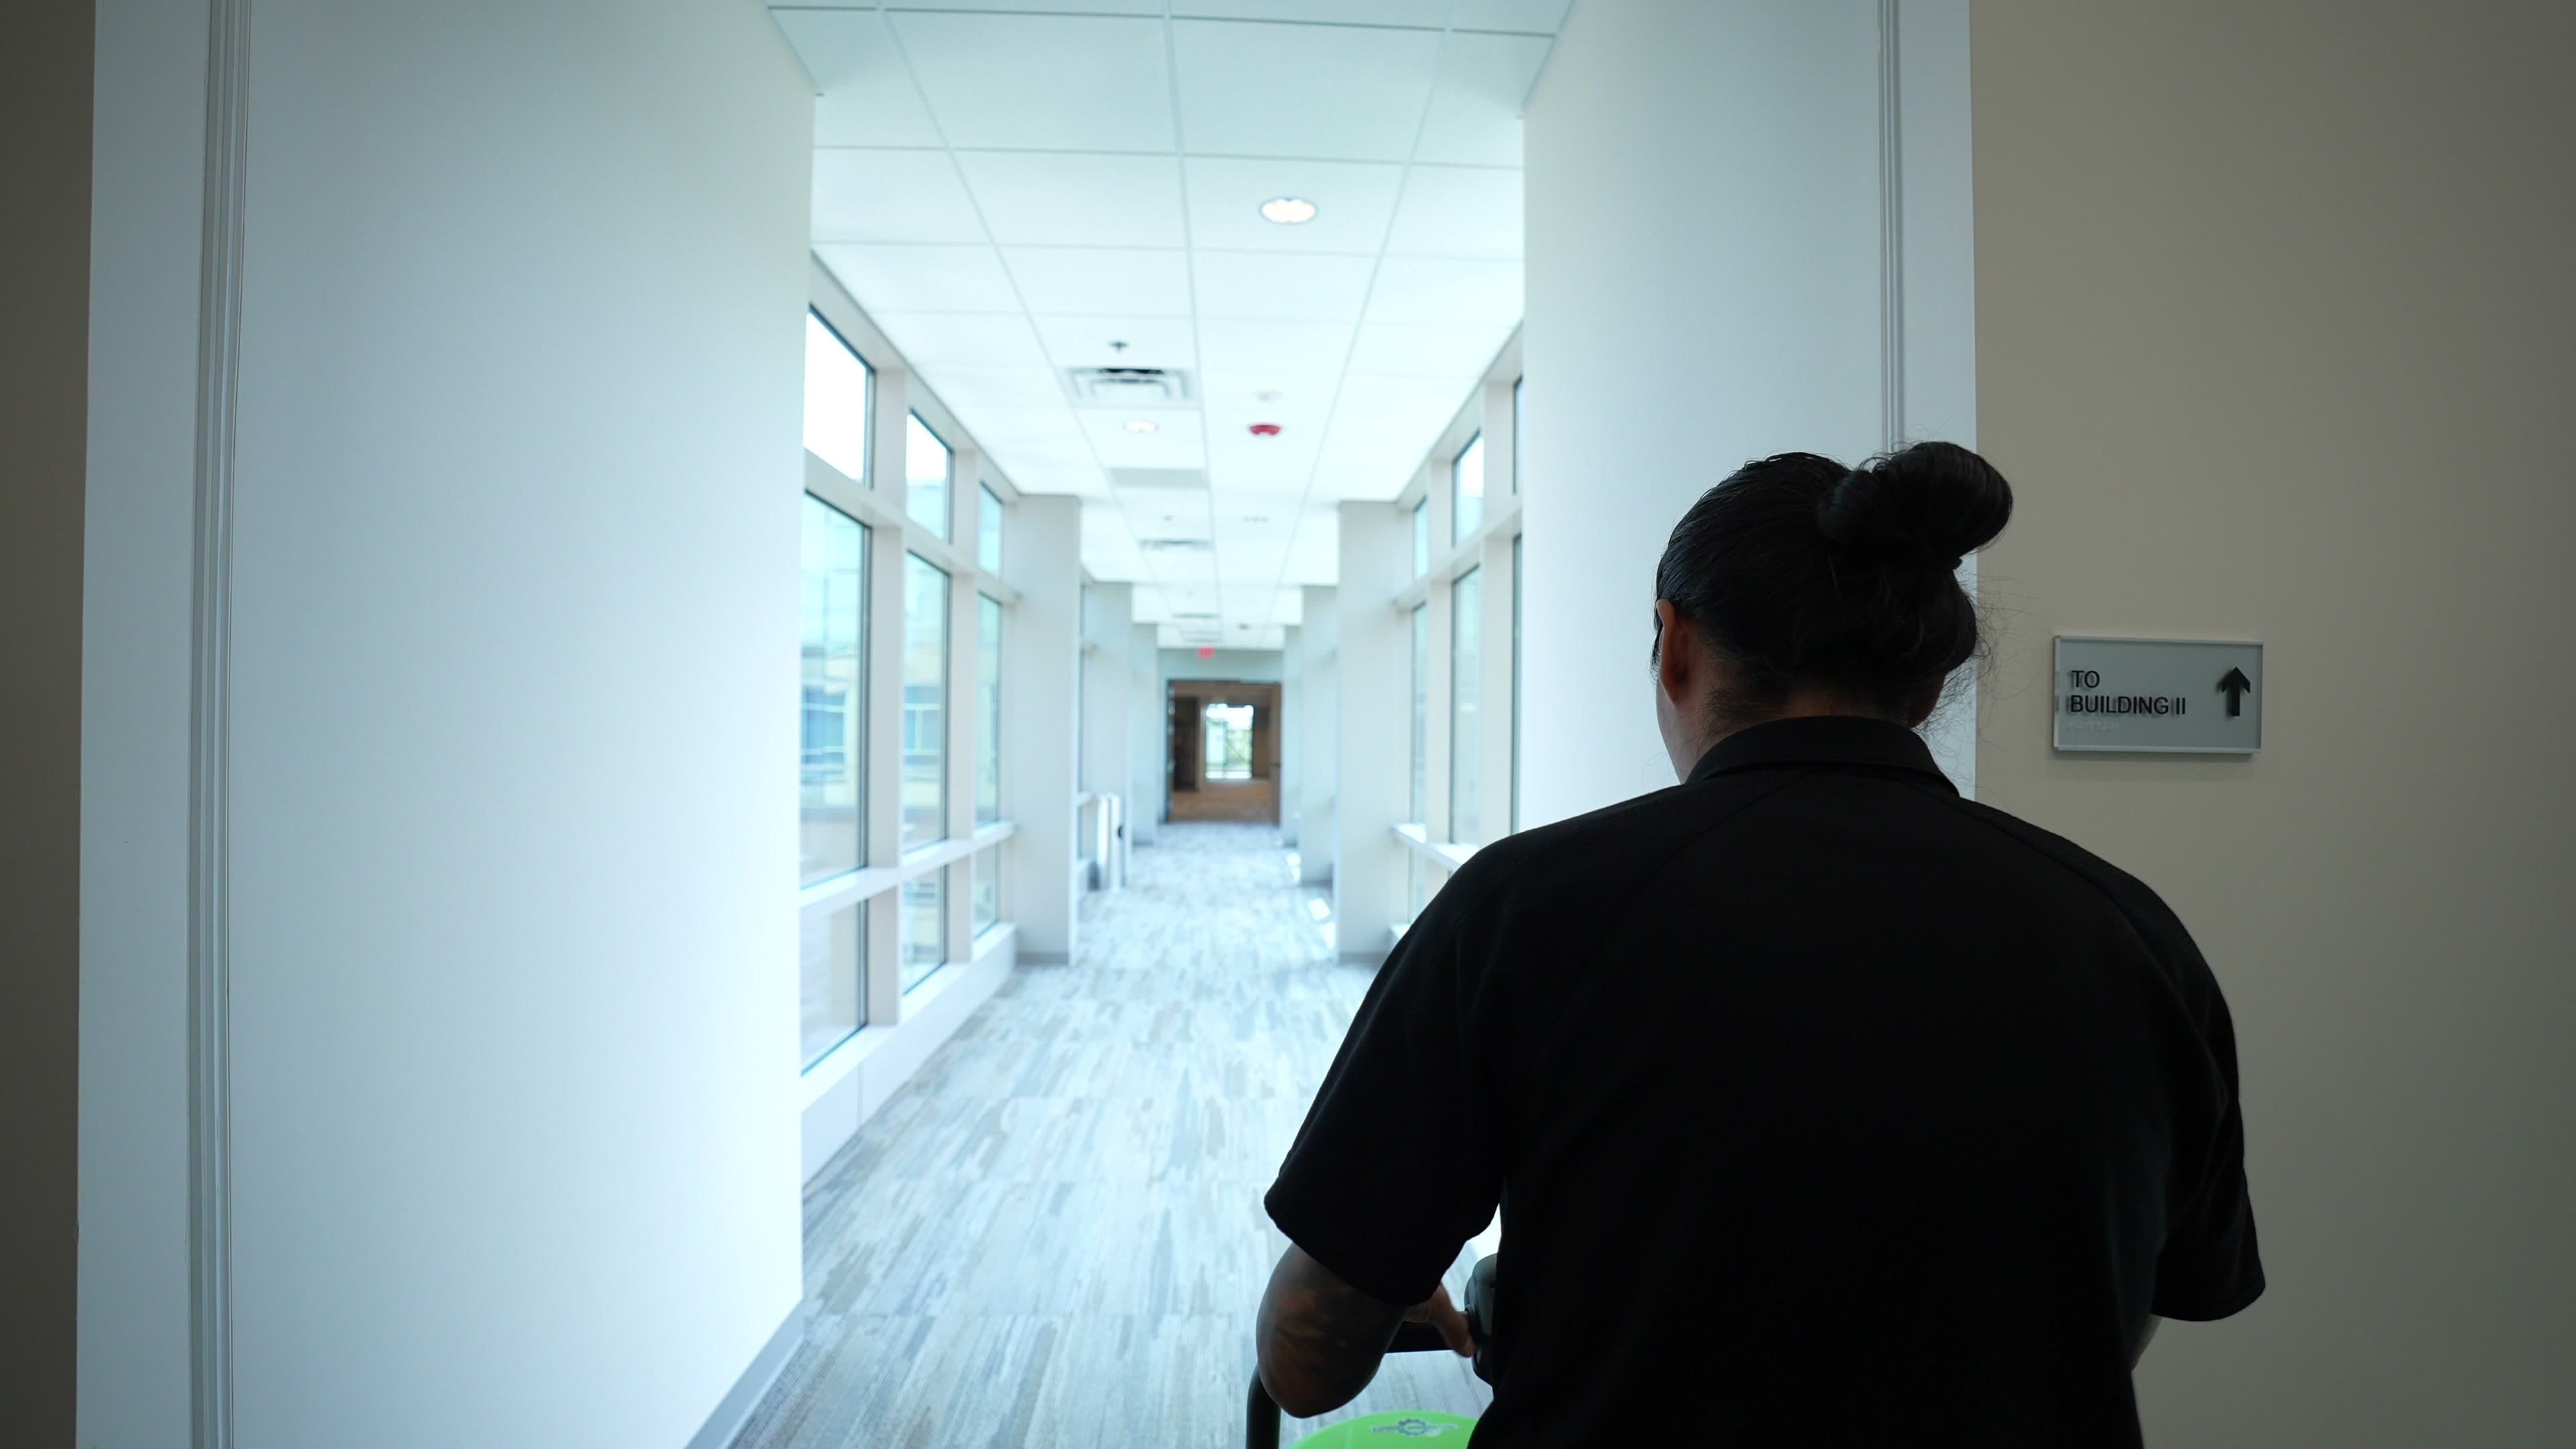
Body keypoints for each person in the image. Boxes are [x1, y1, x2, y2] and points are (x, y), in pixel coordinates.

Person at [1254, 443, 2262, 1445]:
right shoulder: (2131, 935)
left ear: (1674, 644)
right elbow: (2114, 1318)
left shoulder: (1523, 912)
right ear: (1924, 688)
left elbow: (1305, 1362)